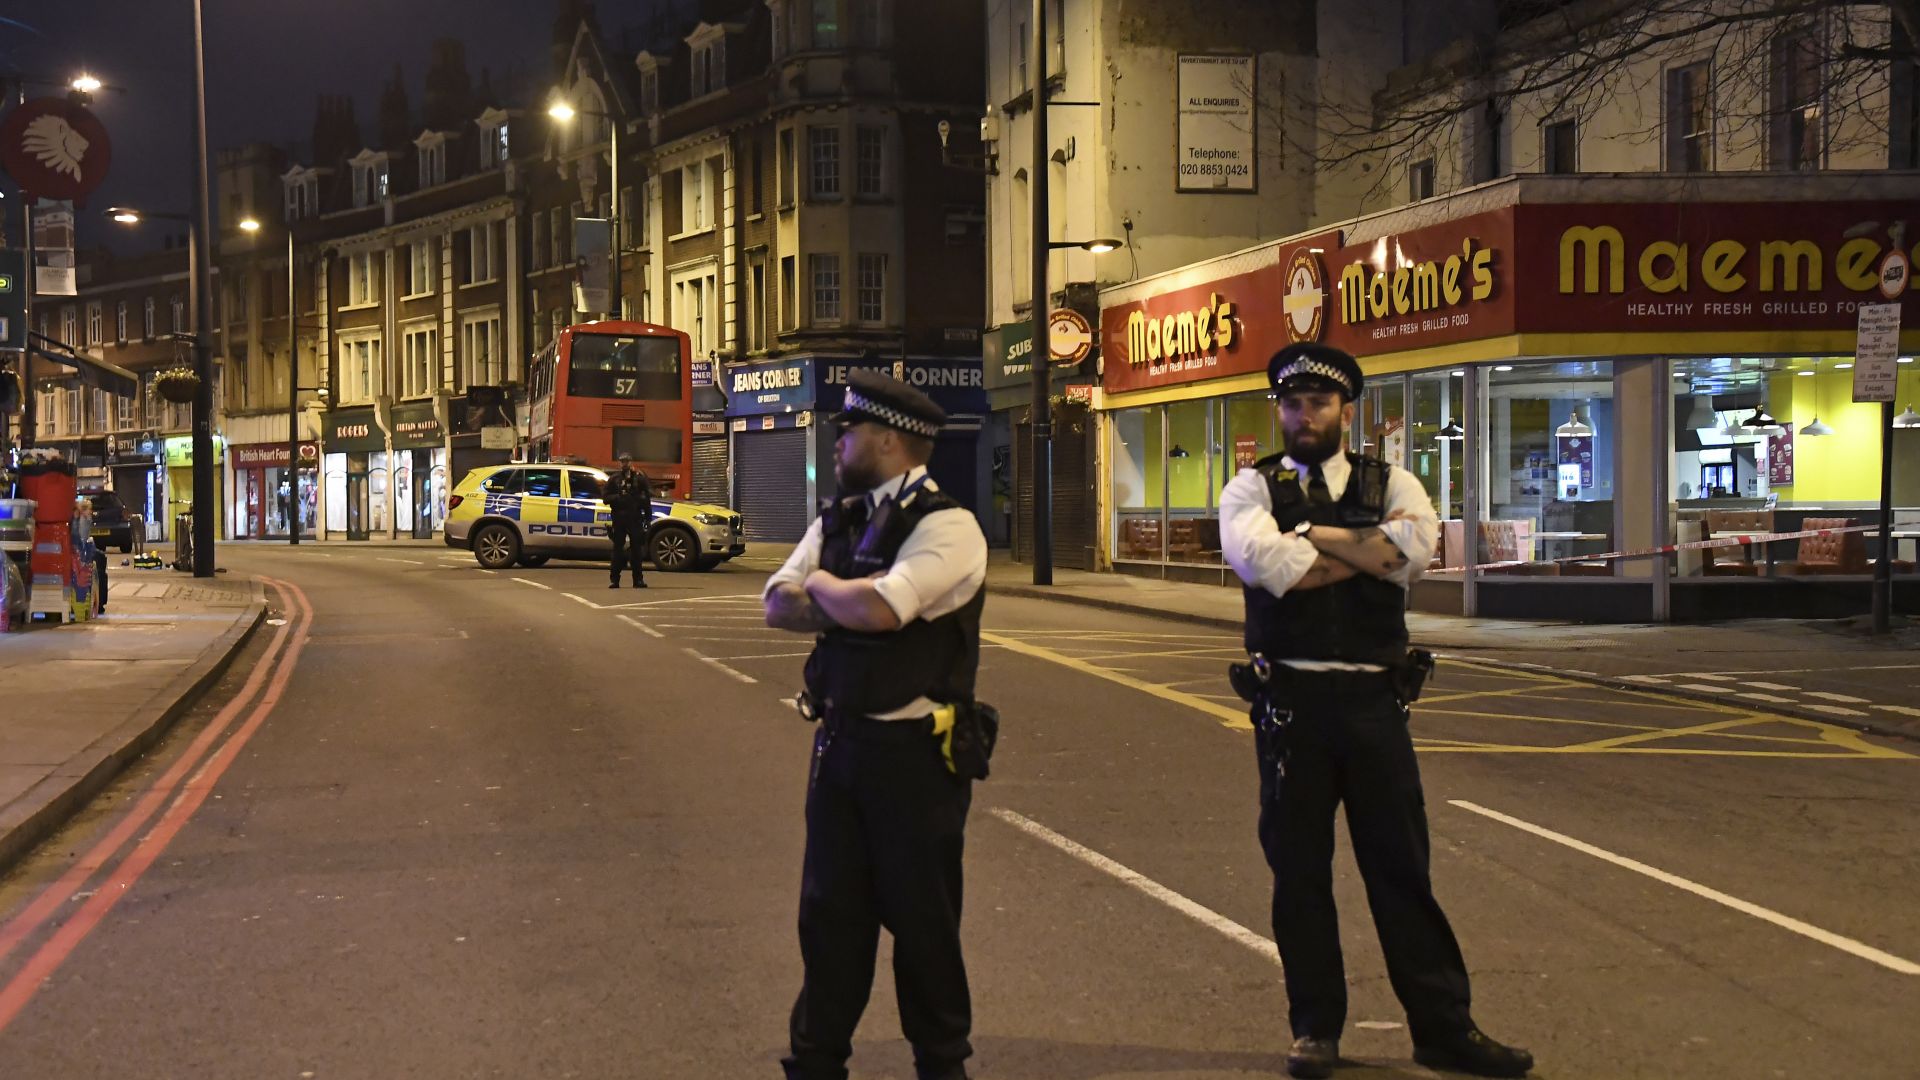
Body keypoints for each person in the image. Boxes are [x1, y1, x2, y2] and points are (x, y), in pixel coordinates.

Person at [1220, 343, 1534, 1080]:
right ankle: (1315, 1032)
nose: (1304, 416)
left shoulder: (1394, 478)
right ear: (1281, 410)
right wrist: (1364, 548)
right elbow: (1268, 569)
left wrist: (1310, 538)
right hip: (1290, 705)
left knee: (1402, 872)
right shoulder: (1249, 489)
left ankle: (1443, 1030)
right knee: (1300, 876)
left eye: (1319, 403)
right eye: (1292, 404)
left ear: (1345, 410)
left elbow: (1414, 552)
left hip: (1373, 703)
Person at [763, 369, 989, 1080]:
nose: (838, 444)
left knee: (923, 924)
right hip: (841, 747)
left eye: (849, 432)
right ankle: (816, 1061)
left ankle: (941, 1062)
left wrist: (824, 589)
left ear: (889, 441)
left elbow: (883, 609)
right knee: (828, 918)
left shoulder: (949, 526)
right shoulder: (840, 516)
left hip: (914, 757)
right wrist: (843, 597)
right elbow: (775, 603)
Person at [605, 452, 653, 589]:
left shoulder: (639, 479)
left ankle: (638, 580)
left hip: (635, 518)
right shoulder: (614, 479)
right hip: (619, 519)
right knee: (617, 550)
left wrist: (648, 519)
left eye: (627, 461)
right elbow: (605, 498)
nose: (624, 464)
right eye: (622, 461)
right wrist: (618, 497)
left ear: (631, 462)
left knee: (637, 551)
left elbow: (646, 500)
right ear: (619, 463)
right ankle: (615, 580)